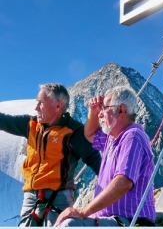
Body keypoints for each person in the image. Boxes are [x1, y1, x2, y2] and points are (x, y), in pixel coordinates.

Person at [0, 83, 101, 226]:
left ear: (58, 106)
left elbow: (95, 161)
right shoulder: (30, 125)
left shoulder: (74, 131)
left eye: (41, 103)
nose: (36, 108)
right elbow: (3, 121)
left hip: (59, 198)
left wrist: (111, 191)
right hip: (30, 197)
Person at [54, 86, 155, 227]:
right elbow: (89, 134)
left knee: (70, 225)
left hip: (129, 220)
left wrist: (83, 211)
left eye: (105, 108)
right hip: (111, 220)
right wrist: (93, 111)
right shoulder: (112, 138)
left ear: (121, 110)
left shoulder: (132, 137)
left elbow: (123, 182)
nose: (100, 115)